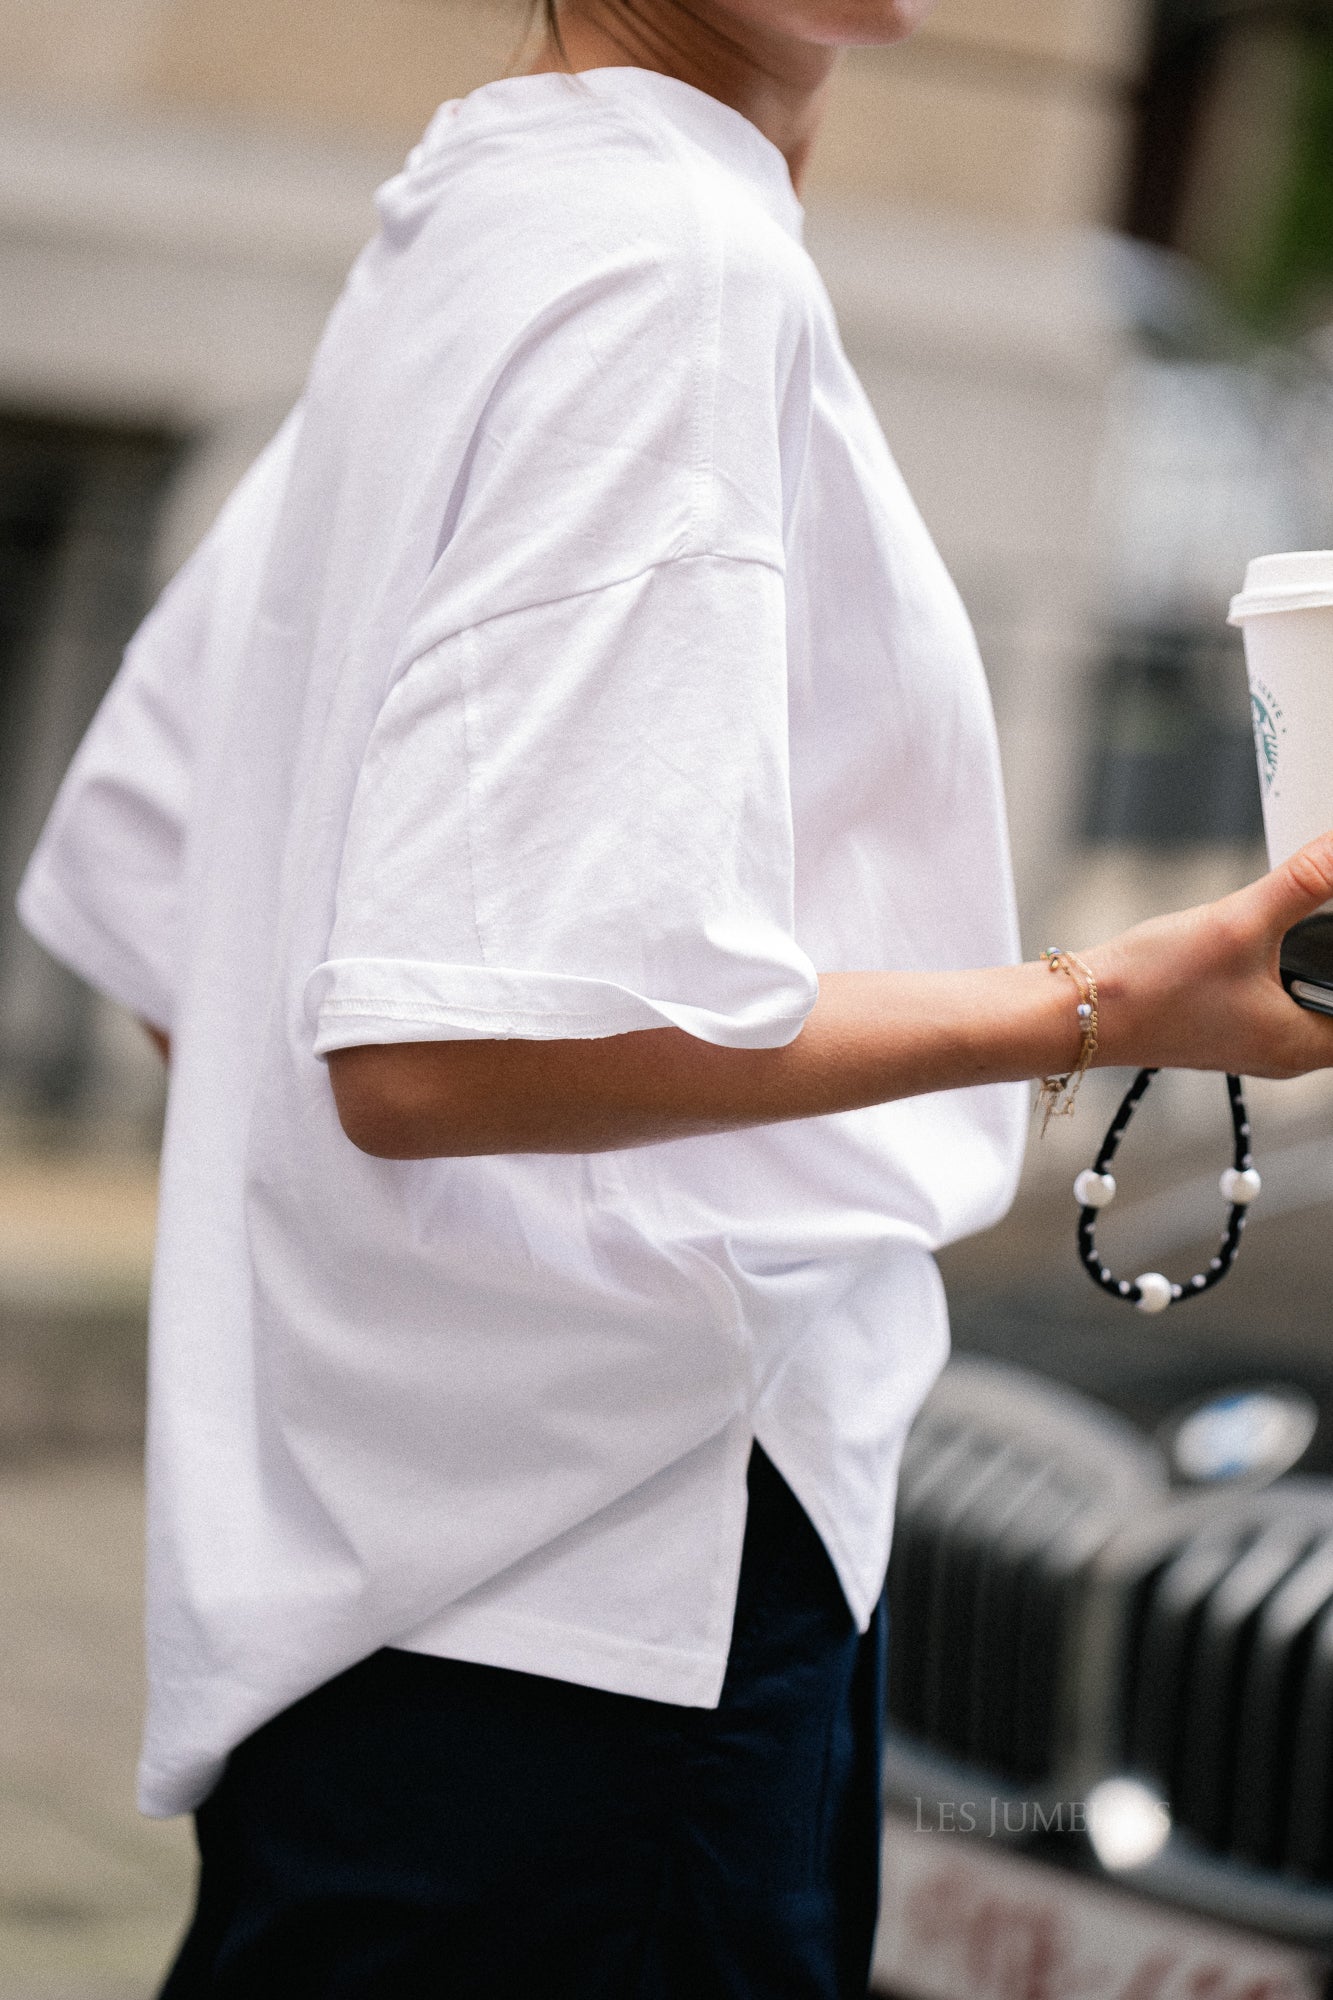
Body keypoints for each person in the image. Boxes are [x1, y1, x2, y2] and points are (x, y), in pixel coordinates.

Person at [16, 1, 1333, 1993]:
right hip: (619, 1603)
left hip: (411, 1600)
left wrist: (412, 1319)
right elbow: (444, 1042)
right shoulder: (664, 266)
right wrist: (1106, 998)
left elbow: (150, 884)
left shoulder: (488, 218)